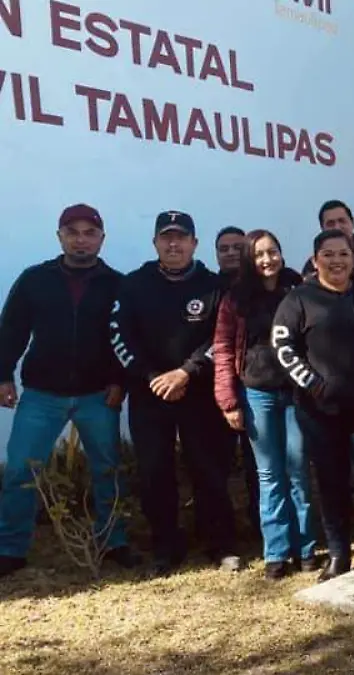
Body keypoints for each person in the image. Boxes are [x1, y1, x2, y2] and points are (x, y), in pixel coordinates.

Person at [0, 204, 135, 577]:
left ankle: (114, 540)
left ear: (101, 239)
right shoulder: (34, 279)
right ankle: (11, 548)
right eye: (72, 232)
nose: (81, 240)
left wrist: (120, 382)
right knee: (20, 472)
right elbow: (11, 329)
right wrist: (3, 375)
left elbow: (125, 338)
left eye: (89, 233)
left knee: (108, 470)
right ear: (59, 236)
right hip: (42, 394)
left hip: (98, 395)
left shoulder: (118, 283)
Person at [110, 210, 239, 576]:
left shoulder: (216, 286)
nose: (173, 243)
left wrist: (185, 372)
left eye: (181, 237)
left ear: (194, 244)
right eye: (166, 237)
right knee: (154, 471)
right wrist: (153, 376)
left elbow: (222, 338)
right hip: (150, 394)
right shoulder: (133, 285)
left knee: (208, 467)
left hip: (198, 393)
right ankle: (166, 545)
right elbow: (120, 336)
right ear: (155, 243)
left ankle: (219, 543)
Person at [273, 230, 354, 581]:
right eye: (328, 254)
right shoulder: (298, 300)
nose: (336, 260)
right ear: (315, 260)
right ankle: (339, 554)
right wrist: (313, 383)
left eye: (343, 254)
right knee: (331, 482)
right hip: (320, 411)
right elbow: (283, 347)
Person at [212, 230, 314, 580]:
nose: (267, 259)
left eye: (273, 252)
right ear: (249, 260)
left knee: (299, 468)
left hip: (296, 393)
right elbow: (224, 350)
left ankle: (306, 547)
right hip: (257, 394)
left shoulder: (297, 289)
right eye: (259, 254)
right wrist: (228, 401)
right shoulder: (236, 299)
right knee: (269, 474)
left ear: (282, 254)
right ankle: (277, 552)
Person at [213, 226, 259, 537]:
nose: (230, 253)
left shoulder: (262, 284)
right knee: (217, 464)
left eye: (236, 247)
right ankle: (221, 532)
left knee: (259, 466)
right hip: (215, 388)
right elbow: (216, 342)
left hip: (257, 389)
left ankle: (261, 525)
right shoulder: (209, 287)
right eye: (224, 248)